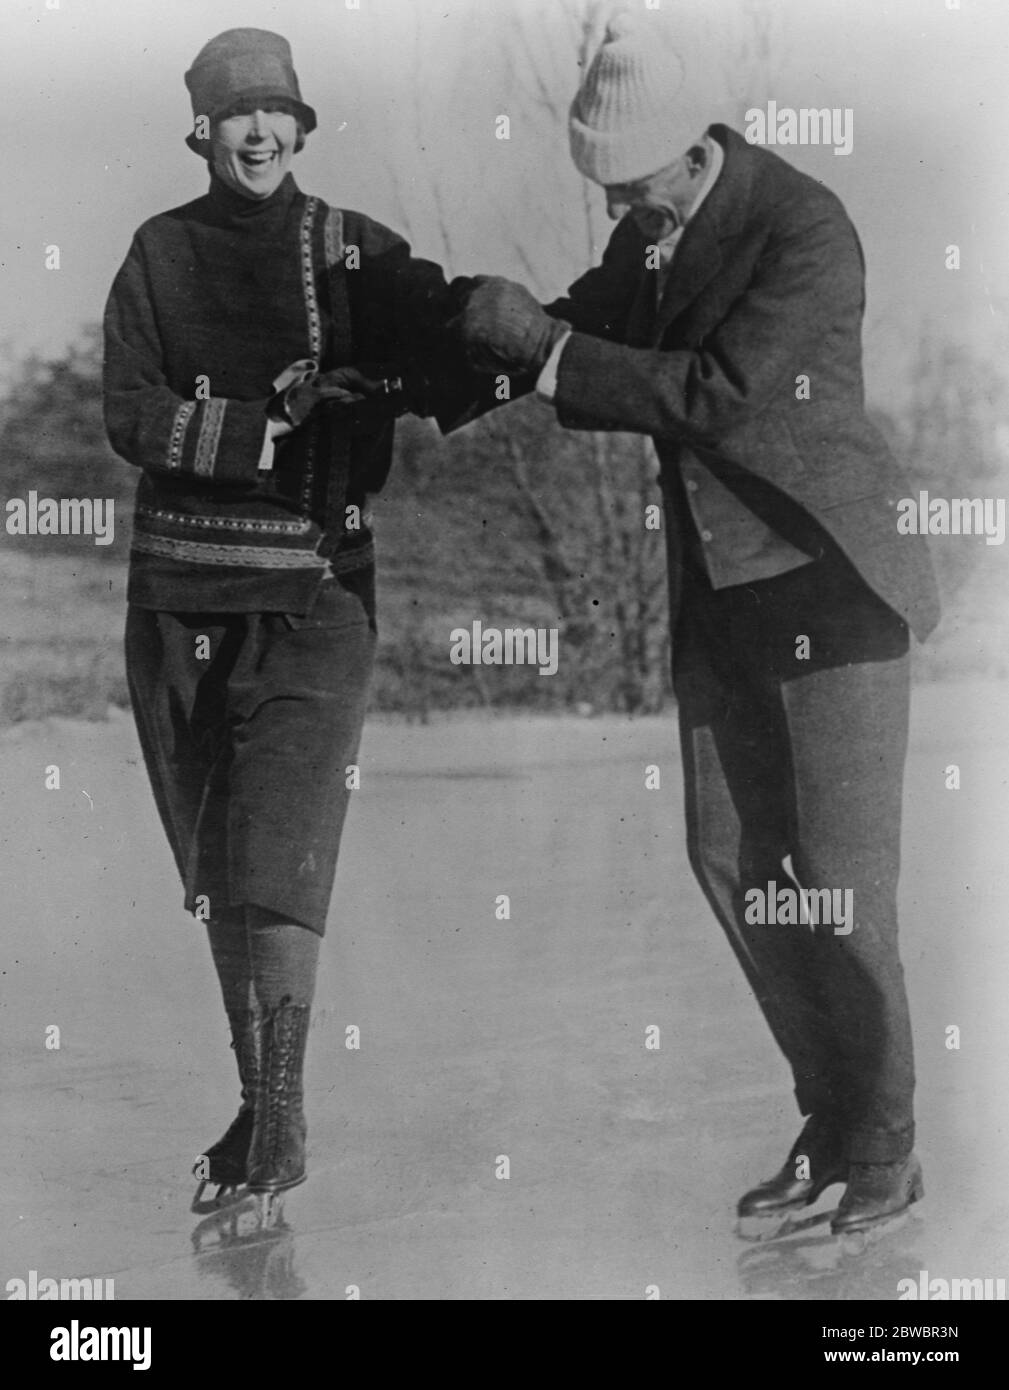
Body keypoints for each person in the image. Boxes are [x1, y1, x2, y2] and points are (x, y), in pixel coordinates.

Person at [452, 14, 940, 1244]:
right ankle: (830, 1122)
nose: (625, 212)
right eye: (610, 192)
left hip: (829, 592)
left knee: (832, 884)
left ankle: (886, 1143)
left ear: (689, 154)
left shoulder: (802, 227)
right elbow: (564, 331)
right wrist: (426, 356)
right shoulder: (654, 231)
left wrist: (549, 349)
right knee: (732, 864)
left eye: (635, 191)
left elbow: (715, 394)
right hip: (723, 599)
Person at [103, 28, 470, 1215]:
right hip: (175, 602)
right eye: (233, 114)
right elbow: (126, 405)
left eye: (277, 112)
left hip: (314, 597)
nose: (258, 131)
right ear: (200, 132)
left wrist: (387, 386)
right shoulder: (158, 254)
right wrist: (250, 431)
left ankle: (284, 1126)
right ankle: (260, 1106)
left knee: (276, 860)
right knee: (216, 871)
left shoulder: (353, 249)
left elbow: (449, 337)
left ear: (302, 128)